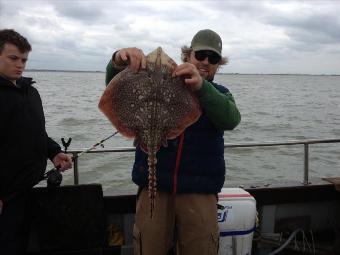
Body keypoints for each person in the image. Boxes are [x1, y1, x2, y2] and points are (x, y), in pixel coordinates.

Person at [105, 29, 241, 255]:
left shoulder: (219, 94)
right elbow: (116, 87)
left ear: (219, 64)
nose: (206, 62)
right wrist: (117, 60)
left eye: (213, 58)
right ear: (188, 55)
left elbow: (231, 118)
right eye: (200, 55)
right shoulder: (158, 82)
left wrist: (201, 88)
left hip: (200, 191)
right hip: (154, 188)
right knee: (149, 247)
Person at [0, 29, 73, 255]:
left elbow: (35, 132)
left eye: (24, 60)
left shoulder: (30, 92)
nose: (20, 65)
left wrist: (53, 152)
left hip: (30, 189)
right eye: (13, 58)